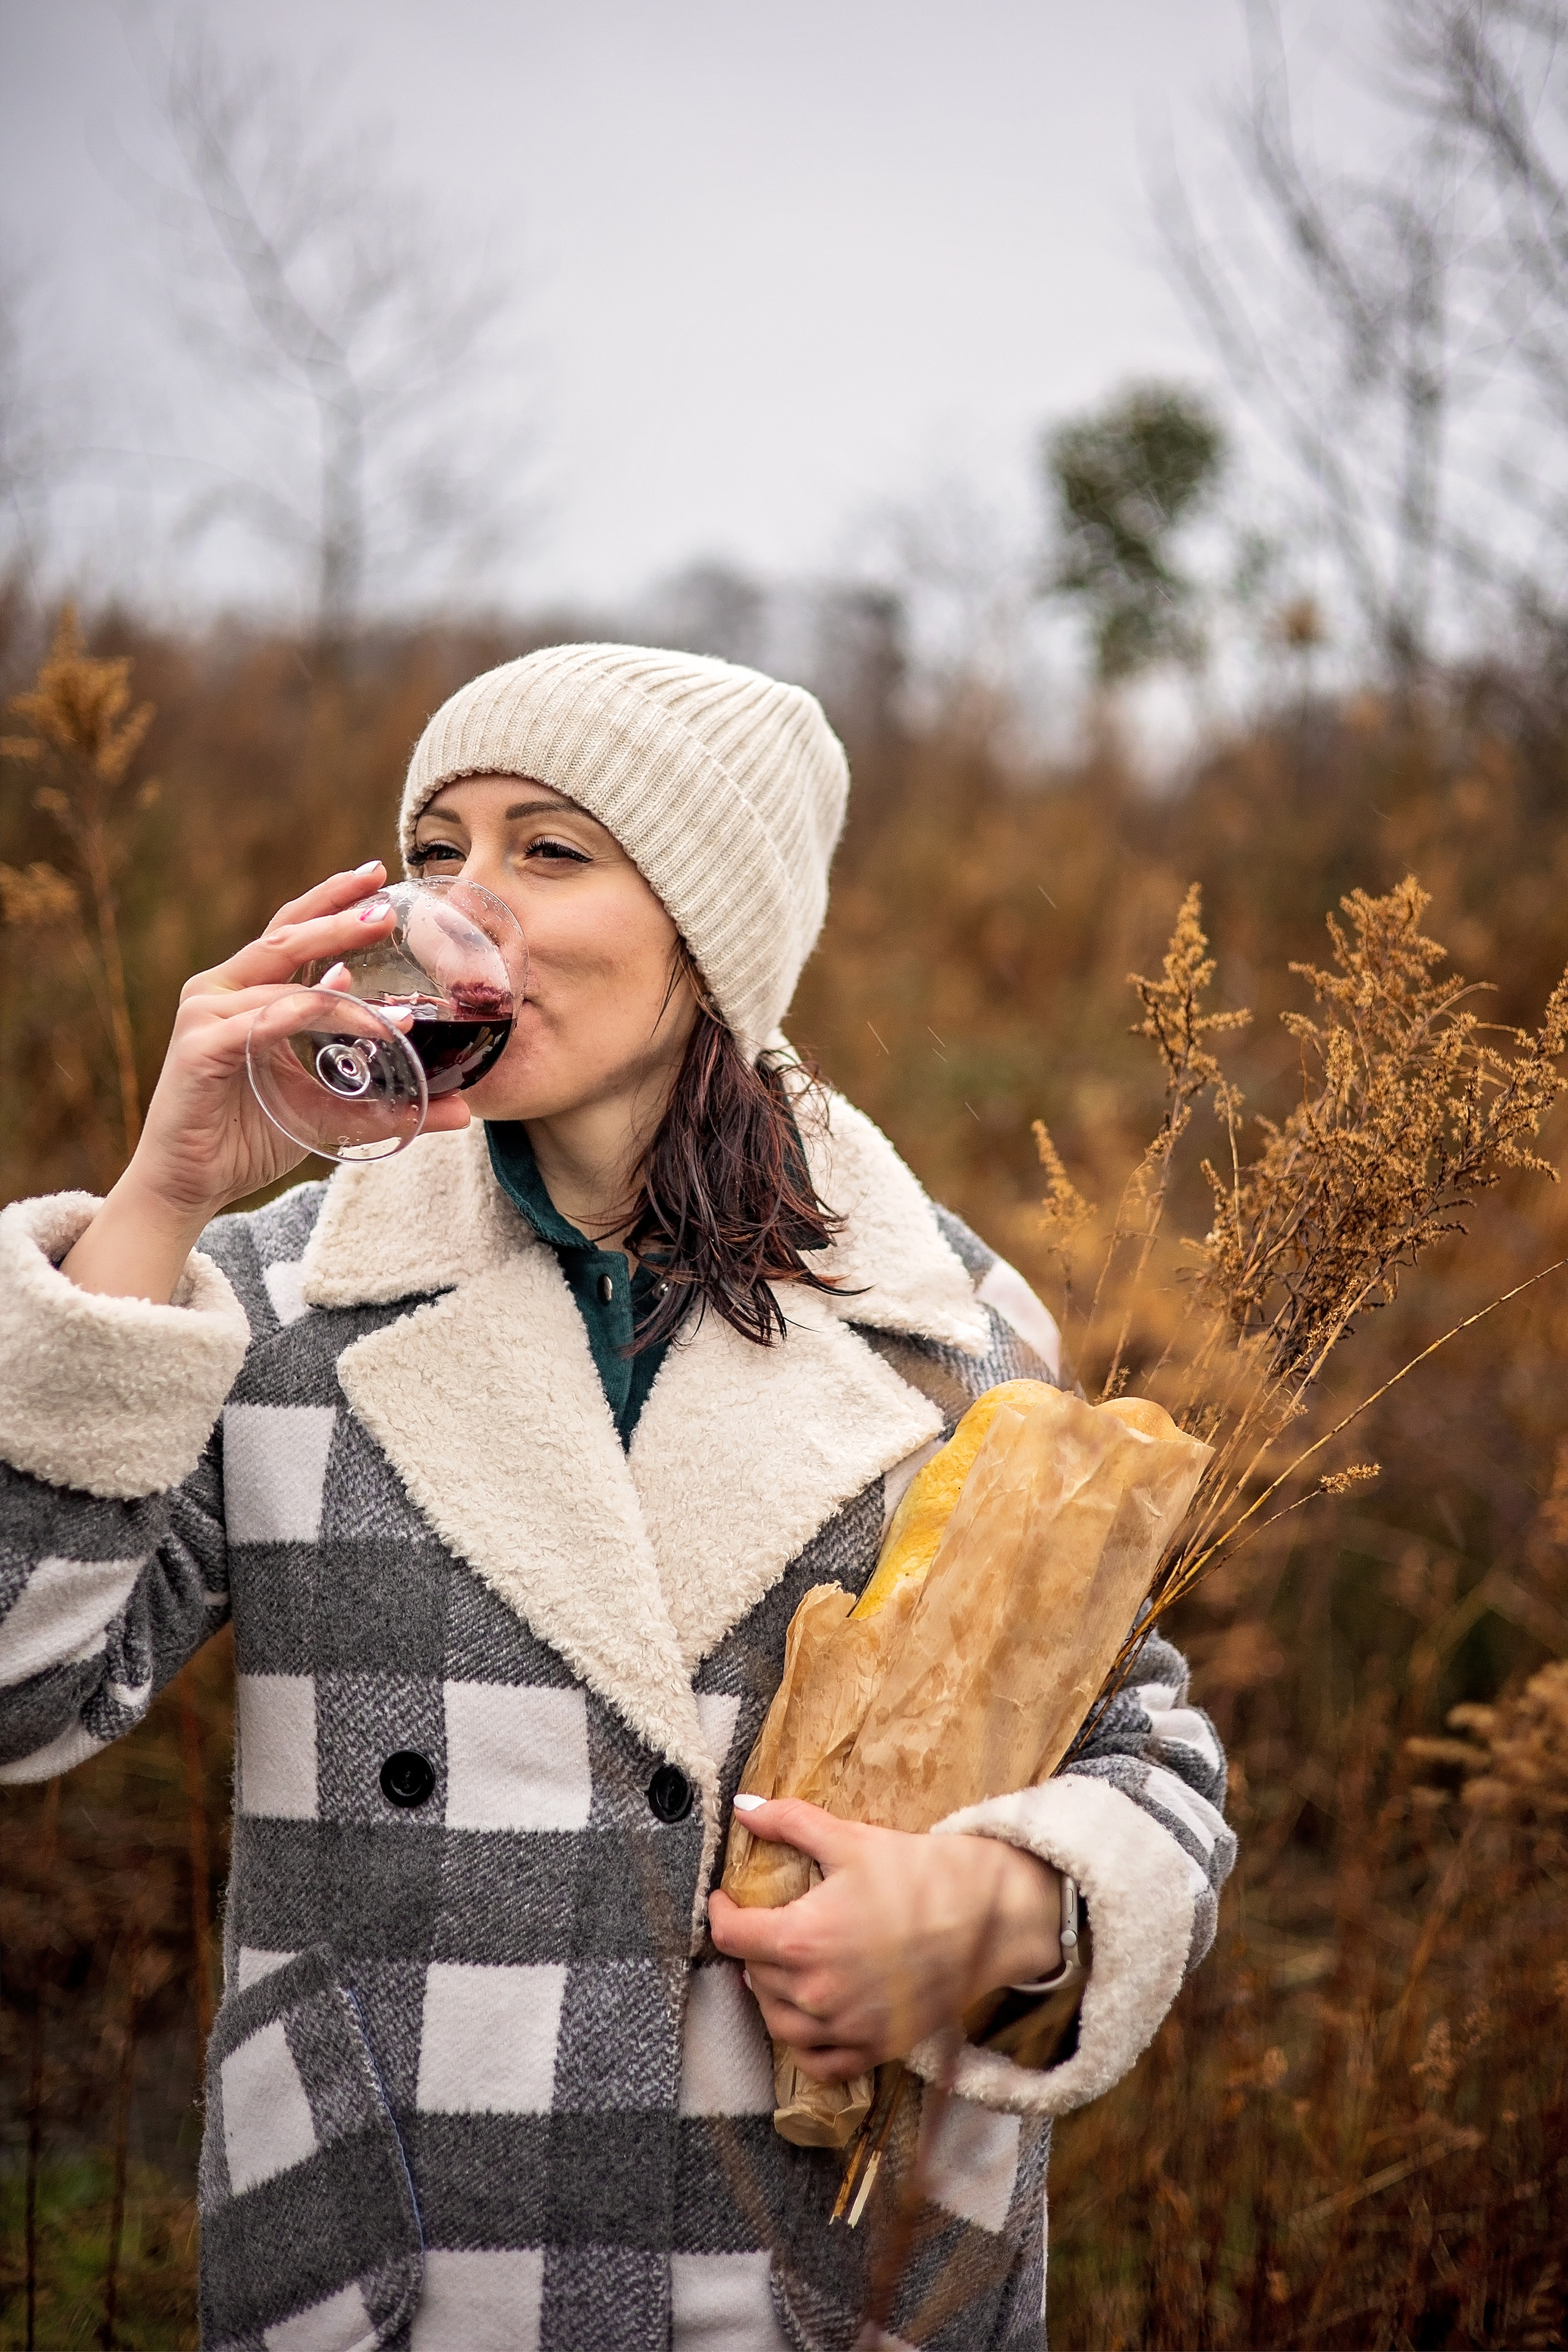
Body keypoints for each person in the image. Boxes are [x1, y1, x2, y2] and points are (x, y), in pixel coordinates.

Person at [0, 644, 1235, 2351]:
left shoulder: (949, 1328)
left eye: (548, 851)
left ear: (708, 930)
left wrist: (1001, 1915)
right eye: (436, 852)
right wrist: (160, 1196)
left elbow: (1141, 1747)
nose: (460, 911)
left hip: (818, 2276)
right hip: (393, 2267)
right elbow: (23, 1689)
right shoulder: (277, 1301)